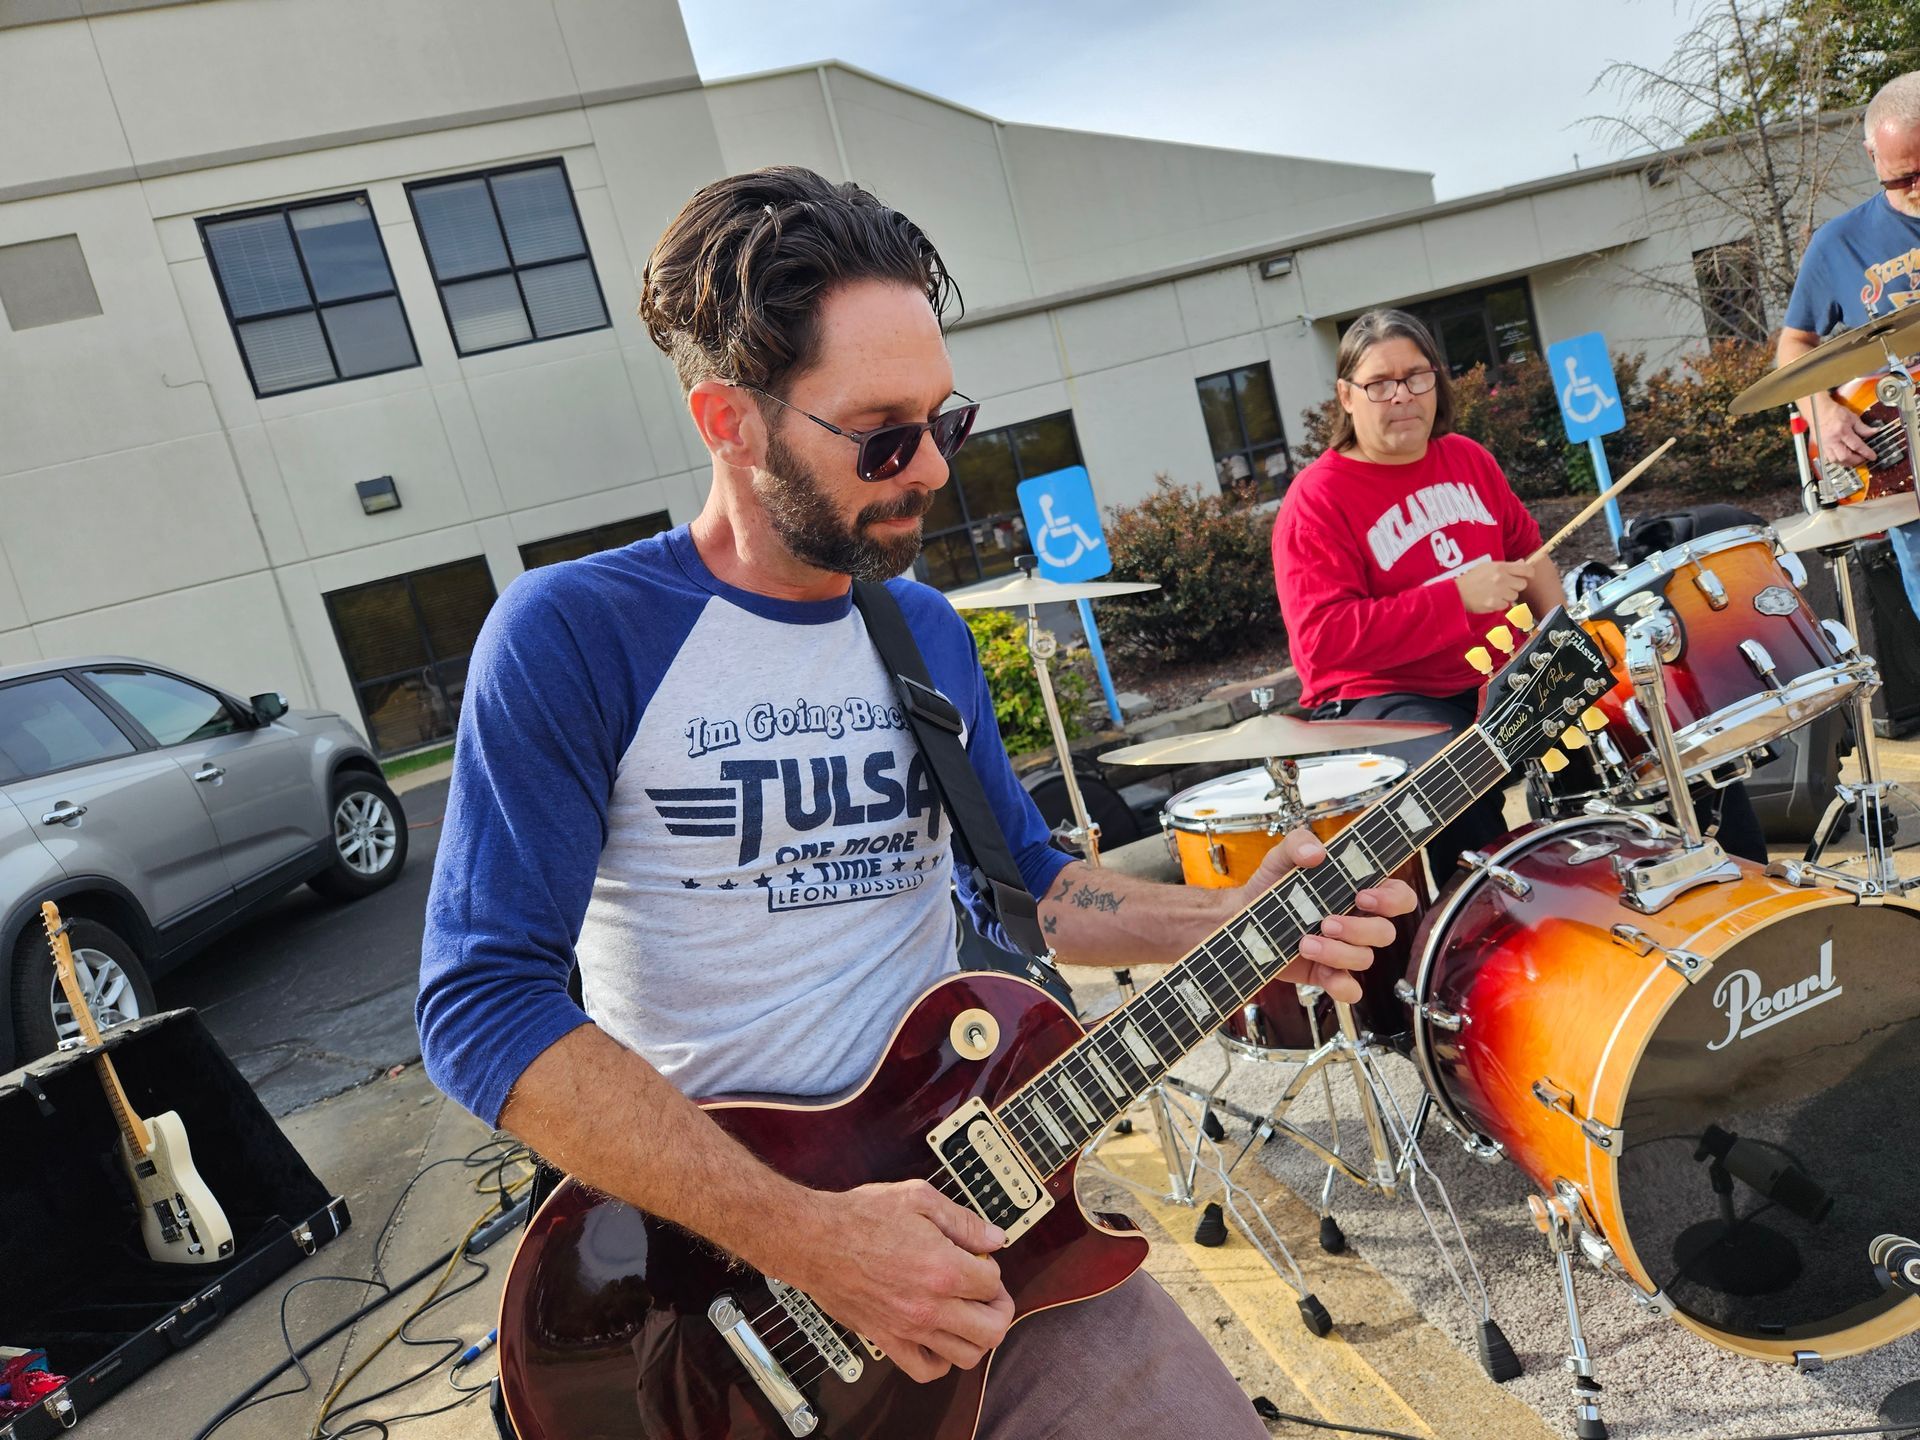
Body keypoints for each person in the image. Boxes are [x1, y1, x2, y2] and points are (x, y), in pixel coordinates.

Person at [415, 165, 1418, 1439]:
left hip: (986, 1221)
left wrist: (1232, 920)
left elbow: (1033, 884)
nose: (934, 467)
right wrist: (818, 1242)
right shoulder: (578, 633)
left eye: (947, 419)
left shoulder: (927, 637)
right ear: (728, 419)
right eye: (884, 434)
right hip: (702, 1303)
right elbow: (481, 1006)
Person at [1273, 309, 1566, 882]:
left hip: (1496, 676)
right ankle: (1483, 939)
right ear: (1347, 396)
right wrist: (1456, 599)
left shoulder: (1467, 458)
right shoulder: (1317, 500)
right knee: (1456, 777)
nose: (1401, 396)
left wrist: (1567, 641)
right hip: (1383, 700)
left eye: (1417, 377)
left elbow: (1531, 556)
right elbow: (1322, 642)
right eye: (1379, 384)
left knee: (1615, 733)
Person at [1778, 69, 1920, 619]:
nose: (1917, 188)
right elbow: (1794, 342)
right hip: (1908, 487)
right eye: (1902, 177)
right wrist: (1822, 413)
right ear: (1871, 156)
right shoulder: (1839, 243)